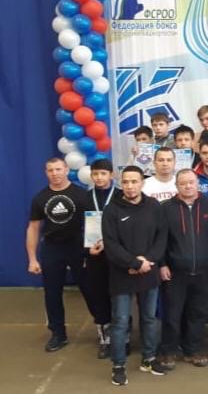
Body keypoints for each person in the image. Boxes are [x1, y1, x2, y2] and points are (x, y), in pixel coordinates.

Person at [102, 166, 168, 385]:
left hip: (148, 272)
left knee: (149, 318)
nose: (130, 186)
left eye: (134, 181)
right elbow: (111, 244)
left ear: (142, 183)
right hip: (122, 275)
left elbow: (161, 238)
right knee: (120, 322)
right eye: (126, 182)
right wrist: (133, 263)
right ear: (121, 184)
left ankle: (149, 358)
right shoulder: (111, 210)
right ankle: (118, 365)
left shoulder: (154, 206)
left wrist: (146, 262)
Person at [26, 157, 89, 352]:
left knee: (90, 289)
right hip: (52, 248)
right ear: (46, 173)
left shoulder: (82, 195)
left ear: (67, 170)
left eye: (58, 169)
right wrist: (32, 259)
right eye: (50, 170)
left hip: (78, 246)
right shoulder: (40, 198)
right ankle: (58, 334)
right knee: (52, 293)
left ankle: (104, 328)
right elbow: (33, 228)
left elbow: (95, 223)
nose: (55, 173)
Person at [158, 169, 208, 370]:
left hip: (204, 272)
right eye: (183, 183)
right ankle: (168, 351)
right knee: (172, 315)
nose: (188, 186)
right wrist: (162, 264)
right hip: (175, 273)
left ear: (198, 183)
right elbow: (160, 240)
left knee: (198, 314)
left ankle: (194, 350)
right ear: (177, 186)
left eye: (191, 182)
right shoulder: (166, 208)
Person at [83, 158, 120, 359]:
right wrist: (87, 250)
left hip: (117, 256)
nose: (99, 177)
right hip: (95, 255)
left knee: (119, 297)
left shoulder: (121, 196)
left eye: (103, 173)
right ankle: (105, 339)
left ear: (111, 175)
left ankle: (122, 338)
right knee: (99, 296)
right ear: (91, 176)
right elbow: (78, 228)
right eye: (95, 174)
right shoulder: (85, 198)